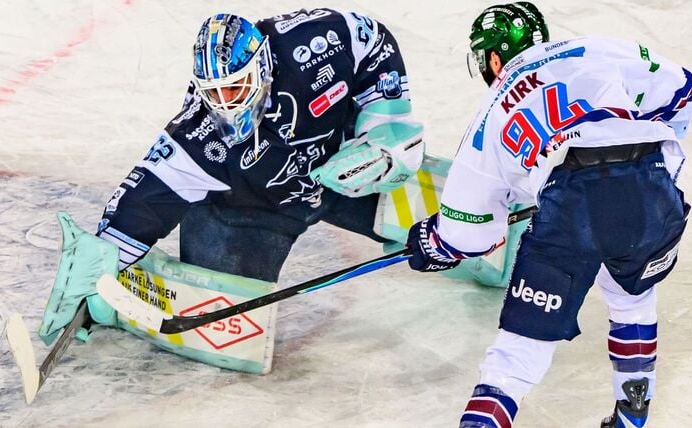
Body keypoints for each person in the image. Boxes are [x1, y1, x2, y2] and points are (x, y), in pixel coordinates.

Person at [36, 10, 425, 370]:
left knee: (400, 159)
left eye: (236, 88)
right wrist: (102, 259)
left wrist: (381, 125)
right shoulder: (198, 132)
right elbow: (146, 199)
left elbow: (371, 39)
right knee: (234, 326)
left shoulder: (312, 46)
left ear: (261, 69)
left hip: (340, 170)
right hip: (253, 215)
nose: (225, 105)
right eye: (214, 93)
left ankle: (457, 223)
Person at [405, 2, 692, 427]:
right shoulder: (594, 49)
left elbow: (469, 235)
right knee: (632, 299)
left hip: (572, 208)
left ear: (492, 58)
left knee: (516, 355)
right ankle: (632, 419)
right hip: (651, 192)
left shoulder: (493, 110)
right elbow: (685, 87)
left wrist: (432, 245)